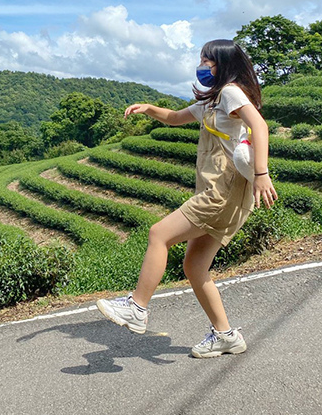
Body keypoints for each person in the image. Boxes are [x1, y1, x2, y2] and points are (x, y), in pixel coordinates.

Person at [96, 39, 277, 357]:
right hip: (217, 190)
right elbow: (176, 117)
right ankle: (225, 335)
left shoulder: (232, 92)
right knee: (194, 265)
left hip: (223, 191)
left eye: (206, 61)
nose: (201, 66)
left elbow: (259, 126)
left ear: (222, 64)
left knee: (158, 234)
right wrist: (149, 109)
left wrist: (261, 173)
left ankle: (136, 308)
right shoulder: (213, 101)